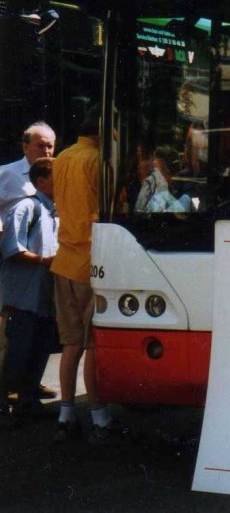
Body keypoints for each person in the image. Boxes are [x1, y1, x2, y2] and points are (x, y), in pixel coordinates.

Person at [50, 108, 125, 444]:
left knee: (70, 343)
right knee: (93, 343)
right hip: (90, 262)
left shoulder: (63, 157)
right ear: (104, 132)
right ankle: (99, 416)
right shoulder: (99, 161)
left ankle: (66, 414)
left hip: (64, 259)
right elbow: (115, 208)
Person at [0, 122, 57, 403]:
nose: (46, 150)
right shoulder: (8, 176)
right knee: (17, 344)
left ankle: (27, 391)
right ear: (25, 146)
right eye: (41, 145)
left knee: (37, 342)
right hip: (19, 281)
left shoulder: (50, 204)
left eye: (50, 145)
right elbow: (13, 245)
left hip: (41, 286)